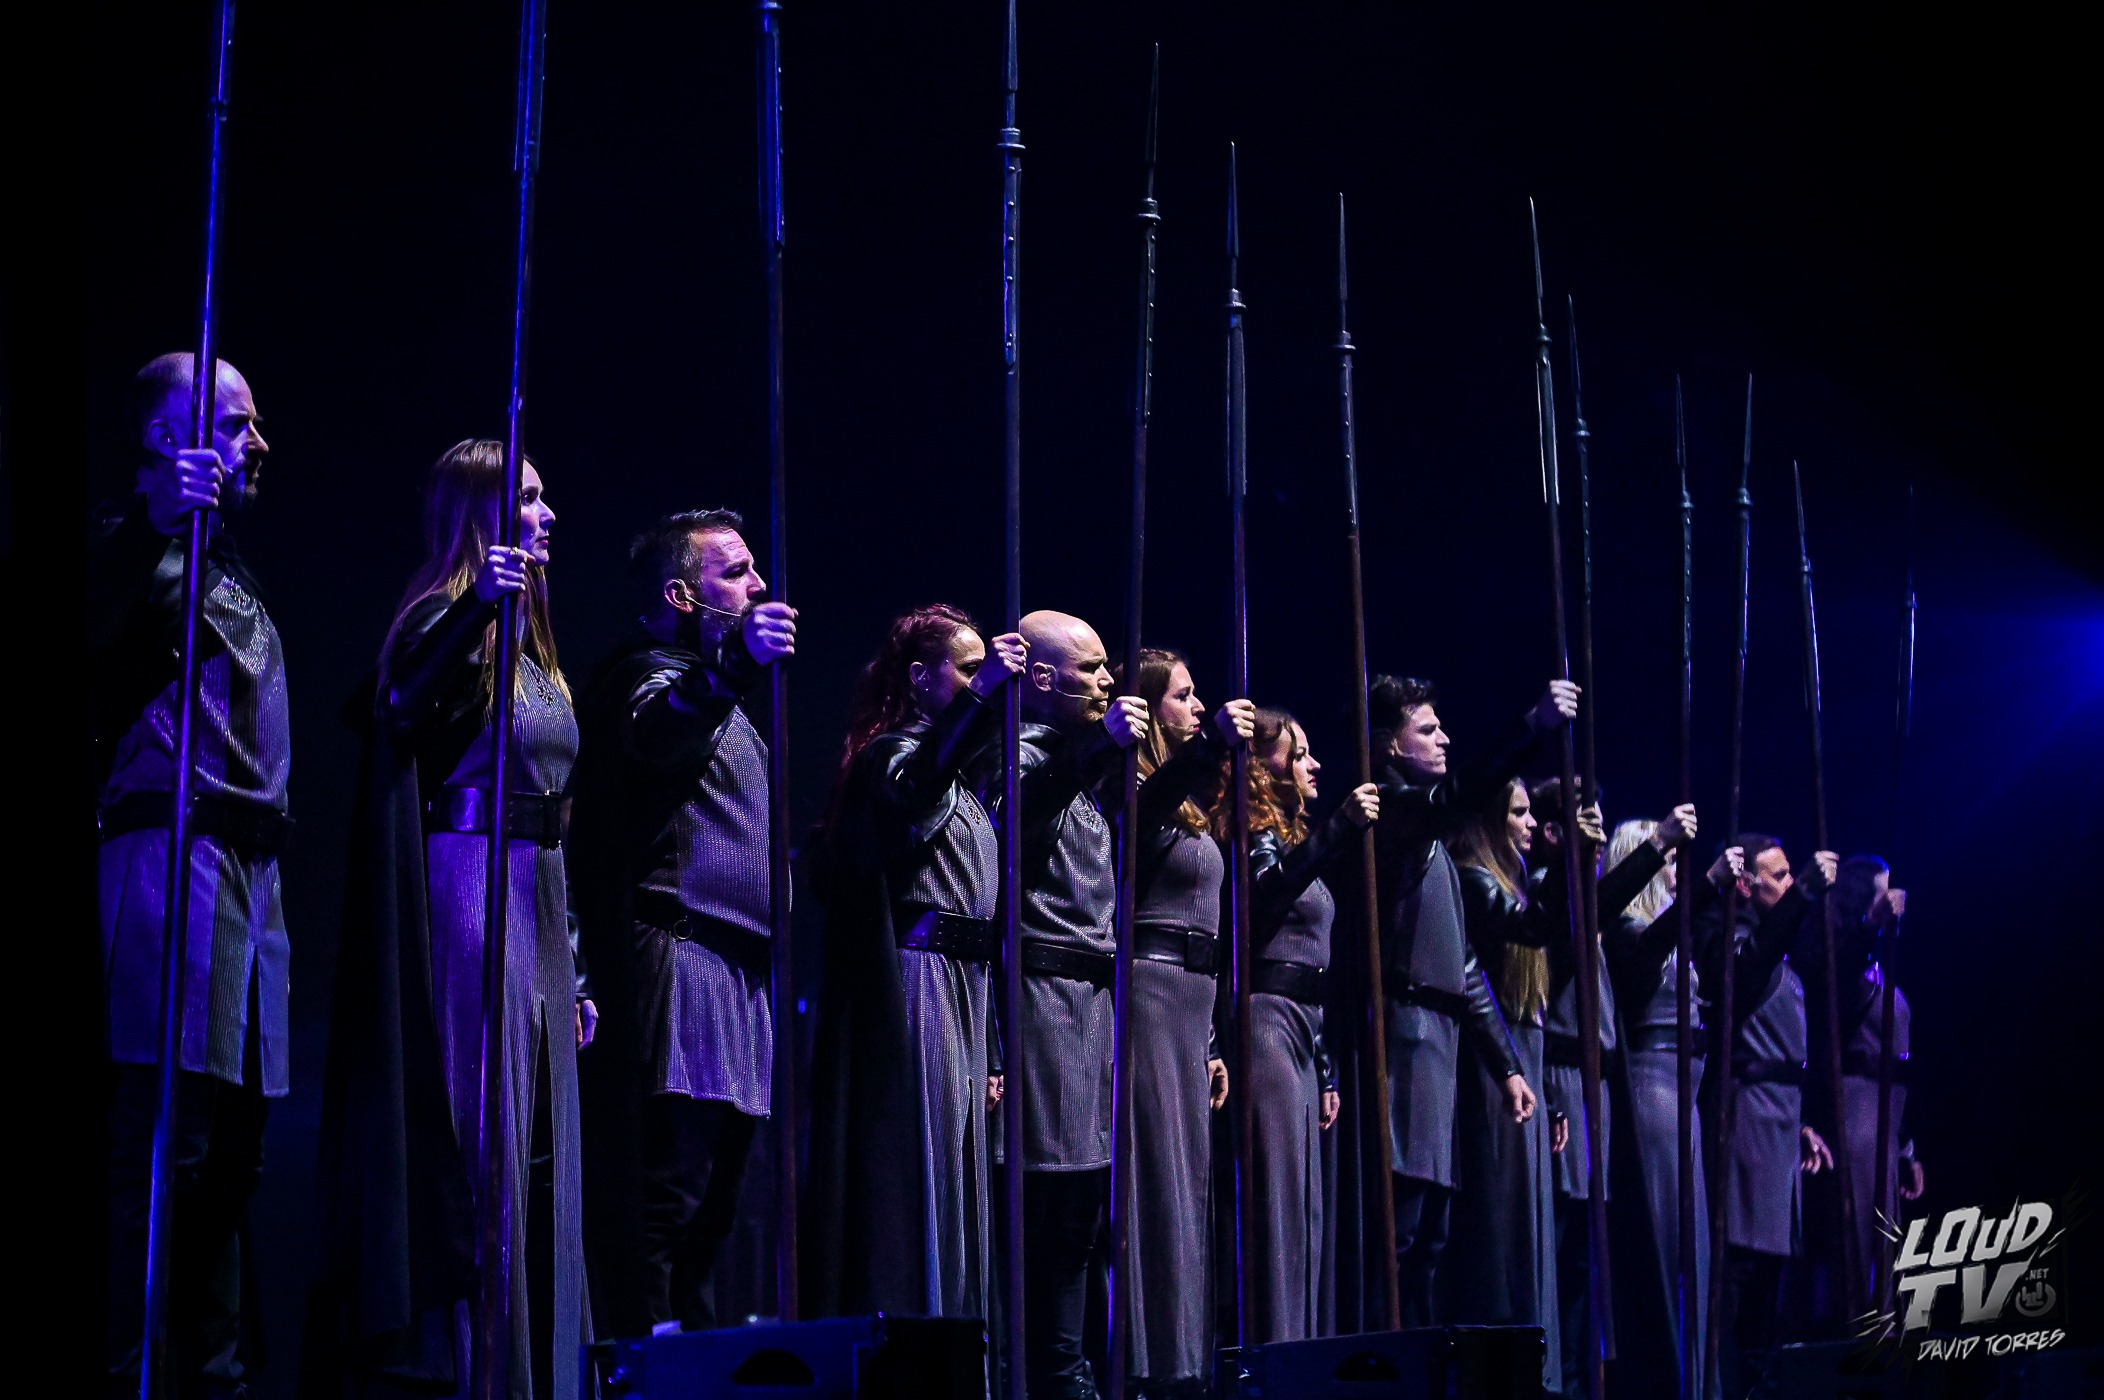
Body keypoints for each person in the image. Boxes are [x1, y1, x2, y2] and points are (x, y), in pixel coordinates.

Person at [308, 439, 592, 1399]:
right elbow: (396, 706)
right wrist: (478, 603)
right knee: (485, 1140)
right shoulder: (444, 616)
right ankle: (475, 1371)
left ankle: (541, 1369)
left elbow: (558, 804)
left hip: (542, 894)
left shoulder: (534, 639)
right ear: (477, 514)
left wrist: (578, 966)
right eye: (526, 498)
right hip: (472, 888)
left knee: (548, 1153)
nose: (547, 515)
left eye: (545, 498)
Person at [95, 352, 287, 1399]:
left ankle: (212, 1375)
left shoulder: (234, 567)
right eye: (237, 422)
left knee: (233, 1156)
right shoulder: (129, 549)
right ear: (169, 441)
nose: (257, 441)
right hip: (168, 864)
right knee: (160, 1148)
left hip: (251, 876)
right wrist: (159, 528)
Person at [566, 509, 796, 1338]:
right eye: (734, 572)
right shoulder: (643, 676)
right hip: (681, 961)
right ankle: (644, 1374)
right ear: (680, 594)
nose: (758, 585)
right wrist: (733, 662)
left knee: (714, 1218)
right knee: (668, 1199)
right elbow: (659, 736)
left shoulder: (718, 696)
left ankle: (693, 1368)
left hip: (739, 978)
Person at [800, 605, 1026, 1321]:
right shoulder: (891, 758)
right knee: (920, 1172)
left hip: (969, 985)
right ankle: (916, 1337)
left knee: (962, 1178)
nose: (976, 682)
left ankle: (962, 1342)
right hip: (919, 984)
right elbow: (911, 794)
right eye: (964, 669)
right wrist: (986, 693)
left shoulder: (962, 775)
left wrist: (992, 1045)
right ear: (922, 678)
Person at [981, 609, 1147, 1400]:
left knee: (1081, 1207)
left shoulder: (1077, 763)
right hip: (1041, 1000)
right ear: (1041, 678)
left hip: (1092, 1006)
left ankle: (1065, 1369)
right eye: (1091, 668)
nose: (1108, 681)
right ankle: (1036, 1370)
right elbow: (1013, 825)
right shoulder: (1014, 755)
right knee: (1045, 1202)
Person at [1367, 674, 1565, 1326]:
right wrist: (1530, 730)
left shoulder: (1434, 846)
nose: (1443, 737)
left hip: (1442, 1047)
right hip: (1404, 1040)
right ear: (1391, 747)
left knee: (1431, 1237)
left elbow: (1467, 965)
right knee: (1399, 1234)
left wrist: (1504, 1063)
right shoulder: (1395, 817)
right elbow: (1459, 796)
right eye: (1426, 730)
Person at [1527, 781, 1696, 1399]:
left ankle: (1586, 1380)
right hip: (1565, 1085)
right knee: (1570, 1255)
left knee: (1589, 1261)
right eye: (1582, 821)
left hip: (1599, 1090)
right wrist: (1656, 847)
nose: (1595, 829)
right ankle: (1565, 1385)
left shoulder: (1591, 909)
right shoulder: (1557, 899)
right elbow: (1598, 915)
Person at [1119, 651, 1252, 1396]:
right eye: (1183, 695)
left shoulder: (1191, 806)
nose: (1196, 705)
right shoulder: (1134, 788)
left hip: (1192, 1006)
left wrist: (1209, 1042)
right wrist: (1207, 752)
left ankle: (1181, 1360)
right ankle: (1144, 1361)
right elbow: (1140, 825)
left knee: (1187, 1186)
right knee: (1155, 1182)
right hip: (1149, 993)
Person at [1229, 709, 1379, 1344]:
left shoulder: (1292, 837)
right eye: (1298, 753)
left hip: (1303, 1029)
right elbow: (1265, 900)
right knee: (1278, 1199)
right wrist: (1341, 828)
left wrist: (1325, 1068)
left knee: (1306, 1204)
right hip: (1265, 1022)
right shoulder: (1256, 836)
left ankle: (1302, 1349)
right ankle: (1273, 1353)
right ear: (1263, 765)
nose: (1312, 764)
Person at [1600, 818, 1741, 1400]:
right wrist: (1707, 885)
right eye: (1671, 862)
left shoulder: (1667, 935)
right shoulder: (1628, 929)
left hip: (1687, 1096)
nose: (1679, 872)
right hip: (1653, 1093)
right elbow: (1643, 956)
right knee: (1662, 1240)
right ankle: (1662, 1377)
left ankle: (1696, 1382)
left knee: (1693, 1246)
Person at [1701, 832, 1837, 1396]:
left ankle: (1758, 1380)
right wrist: (1805, 892)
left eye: (1788, 875)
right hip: (1746, 1116)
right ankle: (1725, 1380)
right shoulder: (1729, 942)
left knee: (1772, 1269)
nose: (1785, 884)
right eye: (1776, 877)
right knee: (1742, 1263)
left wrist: (1803, 1121)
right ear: (1745, 885)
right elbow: (1747, 973)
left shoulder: (1775, 947)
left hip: (1781, 1120)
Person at [1442, 778, 1562, 1393]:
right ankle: (1511, 1364)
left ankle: (1535, 1362)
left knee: (1533, 1218)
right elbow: (1530, 935)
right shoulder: (1476, 878)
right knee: (1507, 1218)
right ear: (1490, 820)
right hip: (1496, 1054)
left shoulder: (1512, 879)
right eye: (1518, 812)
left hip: (1527, 1049)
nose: (1528, 822)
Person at [1802, 854, 1922, 1326]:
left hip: (1886, 1118)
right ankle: (1849, 1333)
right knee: (1855, 1235)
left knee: (1884, 1243)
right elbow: (1834, 980)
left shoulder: (1877, 967)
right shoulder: (1840, 955)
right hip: (1854, 1113)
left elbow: (1897, 1060)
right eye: (1881, 891)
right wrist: (1869, 924)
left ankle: (1881, 1331)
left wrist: (1906, 1145)